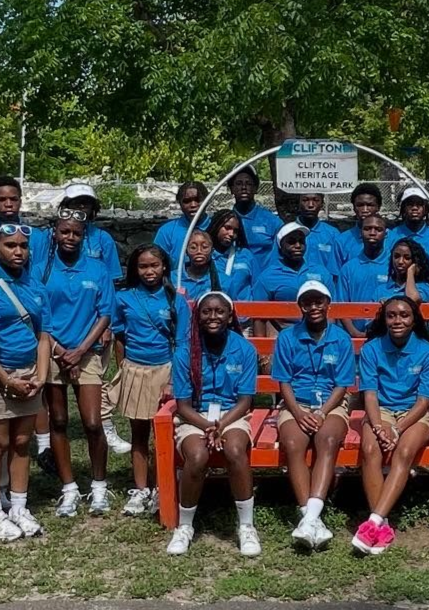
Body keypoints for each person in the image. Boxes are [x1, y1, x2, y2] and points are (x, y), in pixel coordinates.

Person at [30, 184, 128, 457]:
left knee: (92, 415)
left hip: (89, 335)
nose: (80, 209)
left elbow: (109, 289)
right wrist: (61, 351)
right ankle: (49, 451)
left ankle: (107, 434)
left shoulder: (102, 242)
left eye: (86, 203)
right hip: (53, 343)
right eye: (75, 203)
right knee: (59, 418)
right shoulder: (45, 257)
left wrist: (94, 338)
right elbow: (40, 306)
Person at [34, 208, 114, 517]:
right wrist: (57, 350)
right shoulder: (41, 269)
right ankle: (68, 488)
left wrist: (80, 350)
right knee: (59, 420)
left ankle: (99, 486)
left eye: (76, 233)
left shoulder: (97, 270)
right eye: (65, 232)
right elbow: (38, 313)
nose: (70, 237)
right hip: (53, 351)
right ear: (55, 233)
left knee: (93, 422)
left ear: (84, 236)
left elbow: (105, 312)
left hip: (86, 352)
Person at [167, 291, 260, 556]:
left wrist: (220, 426)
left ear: (230, 316)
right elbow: (183, 406)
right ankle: (184, 526)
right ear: (197, 317)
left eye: (219, 311)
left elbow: (245, 401)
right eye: (206, 312)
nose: (213, 317)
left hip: (233, 415)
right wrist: (208, 425)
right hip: (194, 416)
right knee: (197, 456)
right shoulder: (186, 352)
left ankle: (246, 526)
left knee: (234, 450)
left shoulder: (244, 349)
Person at [351, 296, 429, 555]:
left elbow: (424, 401)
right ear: (384, 319)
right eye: (391, 315)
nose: (397, 320)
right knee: (370, 449)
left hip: (414, 414)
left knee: (403, 452)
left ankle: (373, 522)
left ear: (414, 320)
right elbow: (369, 393)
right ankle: (383, 525)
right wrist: (379, 427)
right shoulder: (372, 349)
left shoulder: (427, 352)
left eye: (404, 315)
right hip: (380, 411)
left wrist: (398, 429)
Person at [273, 281, 356, 550]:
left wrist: (321, 412)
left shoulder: (340, 338)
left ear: (327, 303)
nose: (313, 307)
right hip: (295, 403)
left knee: (327, 440)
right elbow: (283, 382)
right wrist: (297, 412)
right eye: (307, 302)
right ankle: (311, 519)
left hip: (330, 404)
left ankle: (308, 518)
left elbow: (342, 384)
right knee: (294, 443)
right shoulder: (287, 337)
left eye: (318, 301)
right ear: (300, 306)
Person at [0, 222, 49, 541]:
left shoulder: (35, 284)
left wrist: (41, 375)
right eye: (10, 245)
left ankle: (19, 506)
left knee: (22, 442)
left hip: (29, 373)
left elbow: (43, 334)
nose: (18, 251)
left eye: (22, 245)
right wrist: (5, 379)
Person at [113, 245, 178, 517]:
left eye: (154, 265)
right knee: (139, 434)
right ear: (134, 270)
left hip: (166, 370)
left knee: (164, 433)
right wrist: (123, 367)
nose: (149, 271)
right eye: (143, 266)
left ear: (164, 267)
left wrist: (175, 379)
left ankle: (163, 486)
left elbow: (181, 340)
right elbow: (119, 336)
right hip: (136, 369)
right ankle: (141, 489)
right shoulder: (124, 298)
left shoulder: (175, 298)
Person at [253, 223, 335, 303]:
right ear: (281, 246)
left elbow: (333, 307)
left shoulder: (321, 272)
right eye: (291, 242)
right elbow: (258, 312)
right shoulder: (267, 277)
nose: (298, 245)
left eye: (301, 241)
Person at [338, 214, 390, 337]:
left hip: (387, 336)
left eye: (378, 229)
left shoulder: (394, 265)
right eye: (367, 229)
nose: (372, 233)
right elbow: (341, 304)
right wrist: (354, 333)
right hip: (354, 334)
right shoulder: (348, 268)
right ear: (360, 232)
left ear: (386, 233)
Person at [231, 165, 283, 264]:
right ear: (231, 189)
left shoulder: (272, 221)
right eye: (238, 183)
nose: (244, 187)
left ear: (256, 188)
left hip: (264, 277)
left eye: (248, 183)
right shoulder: (224, 222)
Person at [153, 182, 210, 264]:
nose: (193, 205)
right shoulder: (167, 231)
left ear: (207, 200)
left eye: (198, 200)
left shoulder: (219, 228)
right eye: (187, 201)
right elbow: (156, 262)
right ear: (179, 202)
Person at [206, 209, 254, 303]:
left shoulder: (245, 255)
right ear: (216, 226)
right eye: (227, 228)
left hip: (243, 314)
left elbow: (256, 285)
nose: (231, 234)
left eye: (235, 231)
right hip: (214, 312)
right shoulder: (205, 255)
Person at [332, 183, 384, 267]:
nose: (365, 210)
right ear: (353, 207)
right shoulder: (342, 240)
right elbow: (336, 275)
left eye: (370, 205)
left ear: (378, 207)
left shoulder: (393, 239)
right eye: (360, 205)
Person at [289, 193, 340, 274]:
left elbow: (336, 270)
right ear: (298, 202)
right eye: (305, 200)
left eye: (316, 200)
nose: (310, 205)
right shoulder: (287, 232)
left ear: (322, 204)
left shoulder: (333, 234)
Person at [377, 238, 429, 304]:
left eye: (407, 258)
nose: (400, 261)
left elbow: (412, 299)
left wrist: (410, 272)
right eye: (396, 256)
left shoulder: (424, 287)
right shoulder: (380, 290)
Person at [178, 229, 218, 299]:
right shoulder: (173, 278)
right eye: (193, 247)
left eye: (204, 247)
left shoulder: (223, 280)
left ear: (212, 251)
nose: (199, 251)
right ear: (186, 251)